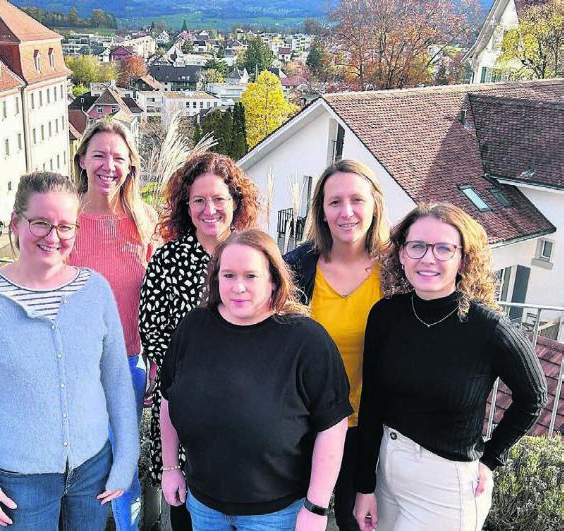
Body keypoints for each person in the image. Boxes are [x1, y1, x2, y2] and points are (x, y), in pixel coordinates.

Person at [0, 171, 139, 530]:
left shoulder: (95, 290)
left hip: (93, 472)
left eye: (66, 226)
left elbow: (116, 382)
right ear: (16, 224)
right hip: (21, 480)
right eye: (40, 223)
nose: (54, 236)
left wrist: (125, 459)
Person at [353, 203, 547, 531]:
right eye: (417, 246)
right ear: (402, 255)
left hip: (445, 488)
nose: (428, 258)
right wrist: (365, 486)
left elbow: (534, 397)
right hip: (387, 473)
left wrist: (490, 459)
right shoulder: (386, 314)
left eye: (444, 248)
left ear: (463, 259)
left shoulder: (488, 328)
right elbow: (371, 401)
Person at [160, 229, 352, 530]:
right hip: (203, 506)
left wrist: (316, 507)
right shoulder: (193, 328)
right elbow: (168, 397)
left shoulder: (307, 340)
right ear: (215, 279)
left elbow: (332, 425)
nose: (238, 287)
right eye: (228, 276)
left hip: (277, 514)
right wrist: (170, 466)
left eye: (251, 276)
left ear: (273, 280)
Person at [138, 152, 259, 530]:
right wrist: (192, 374)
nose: (210, 209)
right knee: (185, 509)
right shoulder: (168, 260)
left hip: (244, 401)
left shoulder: (253, 256)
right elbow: (152, 328)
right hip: (183, 401)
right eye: (199, 200)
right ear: (185, 206)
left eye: (219, 199)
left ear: (235, 203)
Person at [285, 159, 389, 531]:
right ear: (321, 211)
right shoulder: (296, 268)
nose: (346, 212)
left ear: (375, 204)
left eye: (357, 200)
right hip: (300, 425)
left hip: (368, 427)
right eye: (335, 202)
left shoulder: (396, 273)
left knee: (355, 521)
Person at [69, 119, 157, 531]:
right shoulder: (64, 221)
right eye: (99, 154)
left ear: (130, 166)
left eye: (118, 157)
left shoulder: (145, 221)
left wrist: (155, 363)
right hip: (73, 369)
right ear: (82, 159)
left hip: (127, 364)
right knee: (80, 466)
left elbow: (157, 301)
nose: (108, 165)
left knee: (124, 467)